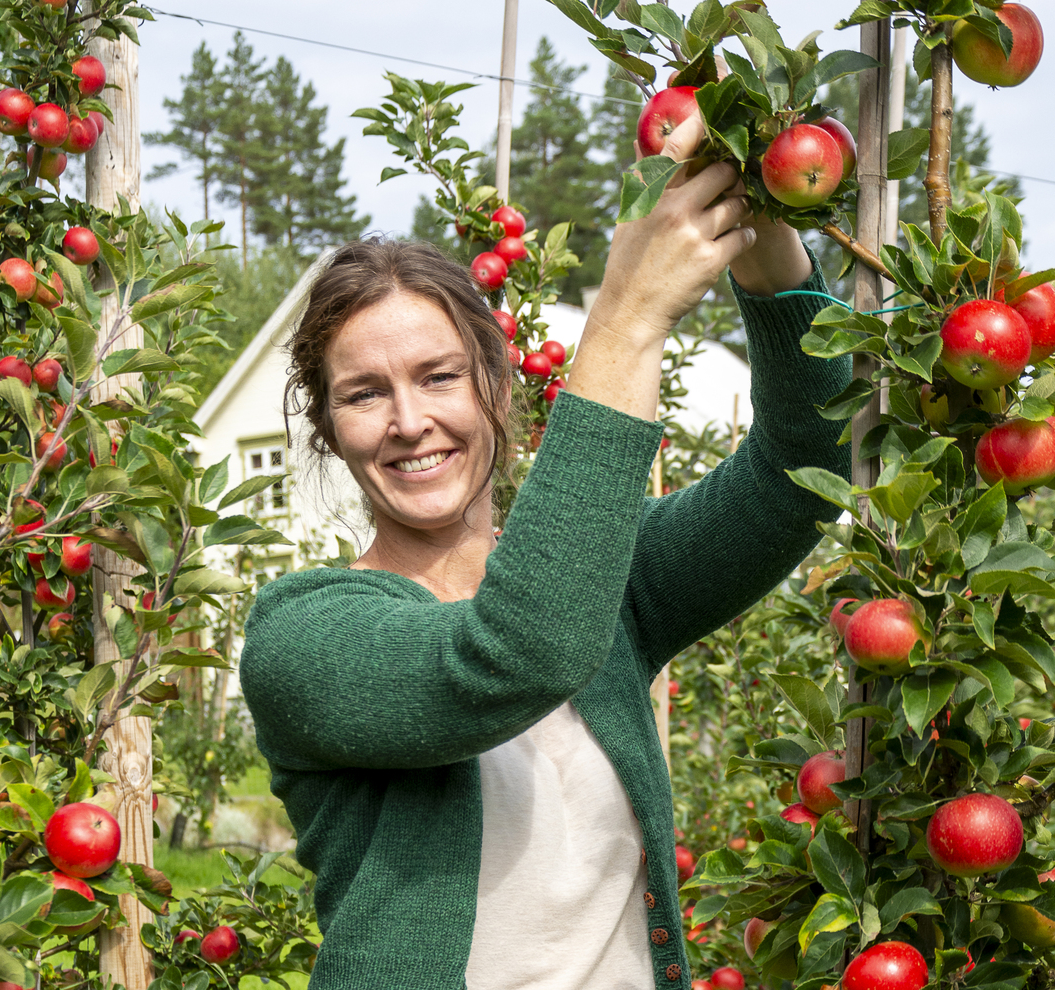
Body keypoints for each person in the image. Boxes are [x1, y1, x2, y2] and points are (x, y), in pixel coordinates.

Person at [239, 114, 850, 989]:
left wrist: (764, 238)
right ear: (331, 431)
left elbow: (806, 468)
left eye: (440, 376)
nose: (410, 422)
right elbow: (518, 653)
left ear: (496, 382)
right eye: (365, 394)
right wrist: (627, 320)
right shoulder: (302, 639)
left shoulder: (616, 580)